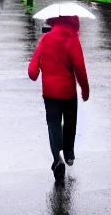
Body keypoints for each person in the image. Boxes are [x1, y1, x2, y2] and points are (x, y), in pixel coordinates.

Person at [28, 15, 89, 184]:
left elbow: (32, 71)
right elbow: (80, 68)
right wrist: (85, 89)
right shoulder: (72, 39)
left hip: (49, 93)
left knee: (53, 125)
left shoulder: (45, 39)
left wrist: (38, 70)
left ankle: (58, 159)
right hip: (68, 92)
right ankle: (69, 153)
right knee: (70, 122)